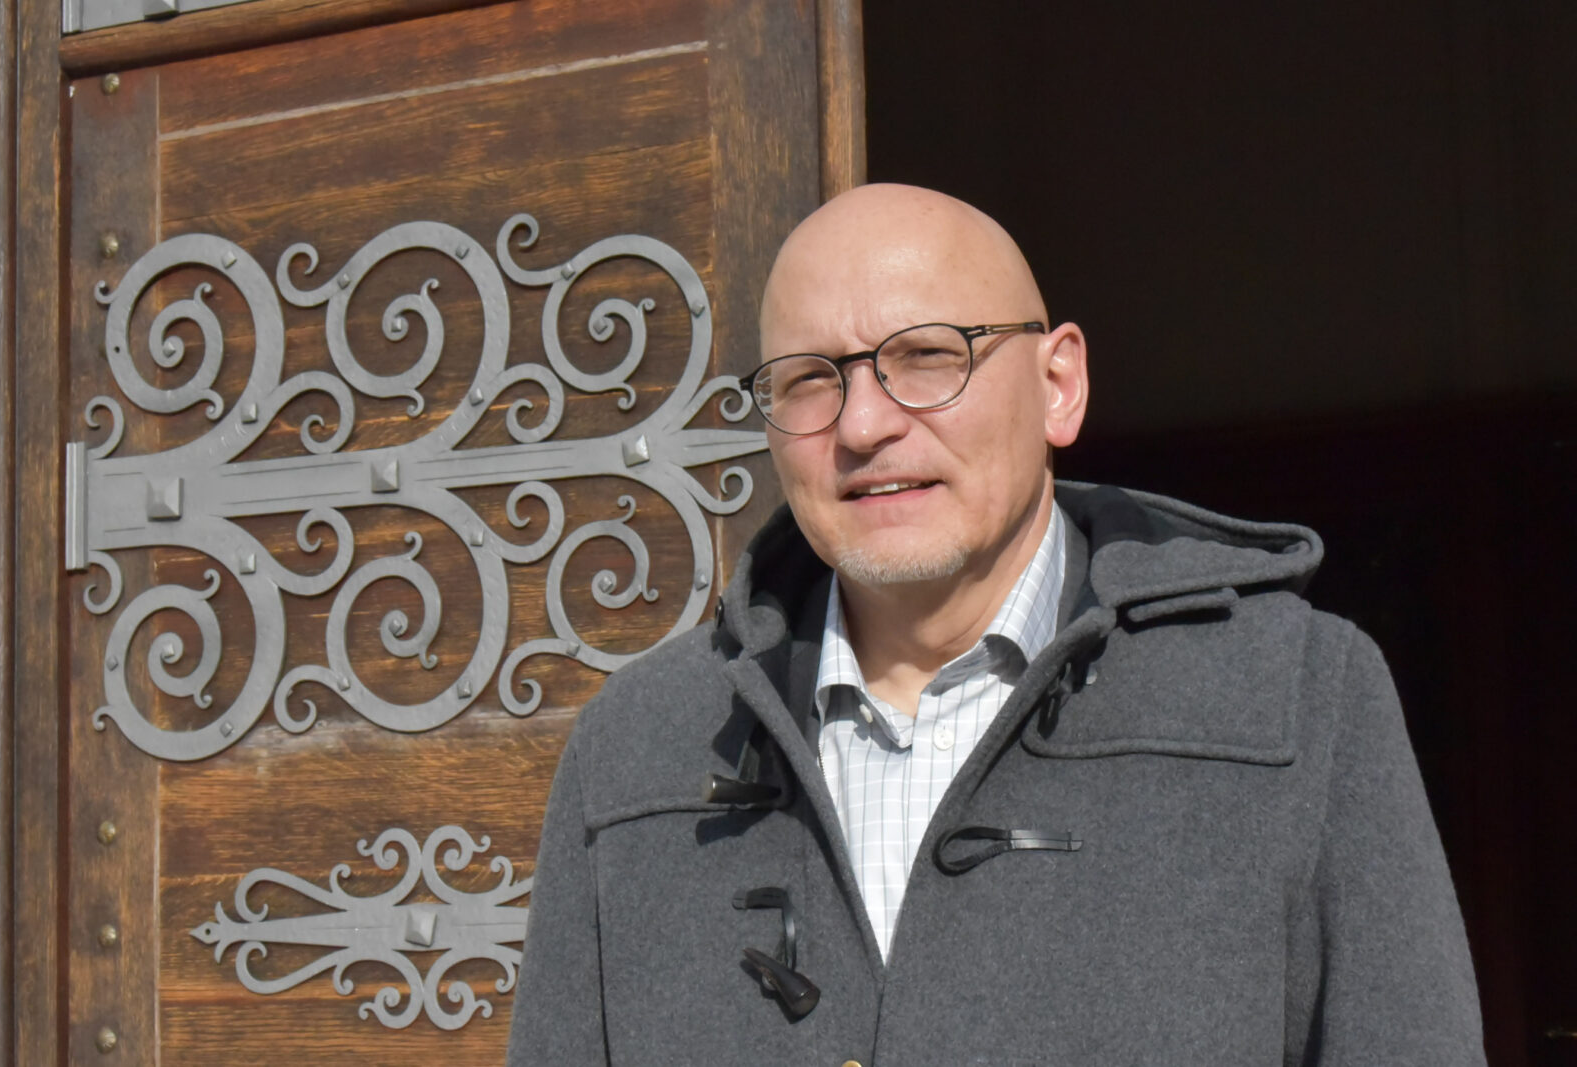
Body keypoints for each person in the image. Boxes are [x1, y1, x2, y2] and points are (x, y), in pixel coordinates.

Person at [505, 183, 1483, 1065]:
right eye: (809, 378)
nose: (861, 425)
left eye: (925, 356)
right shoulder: (636, 747)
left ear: (1058, 384)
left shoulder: (1300, 693)